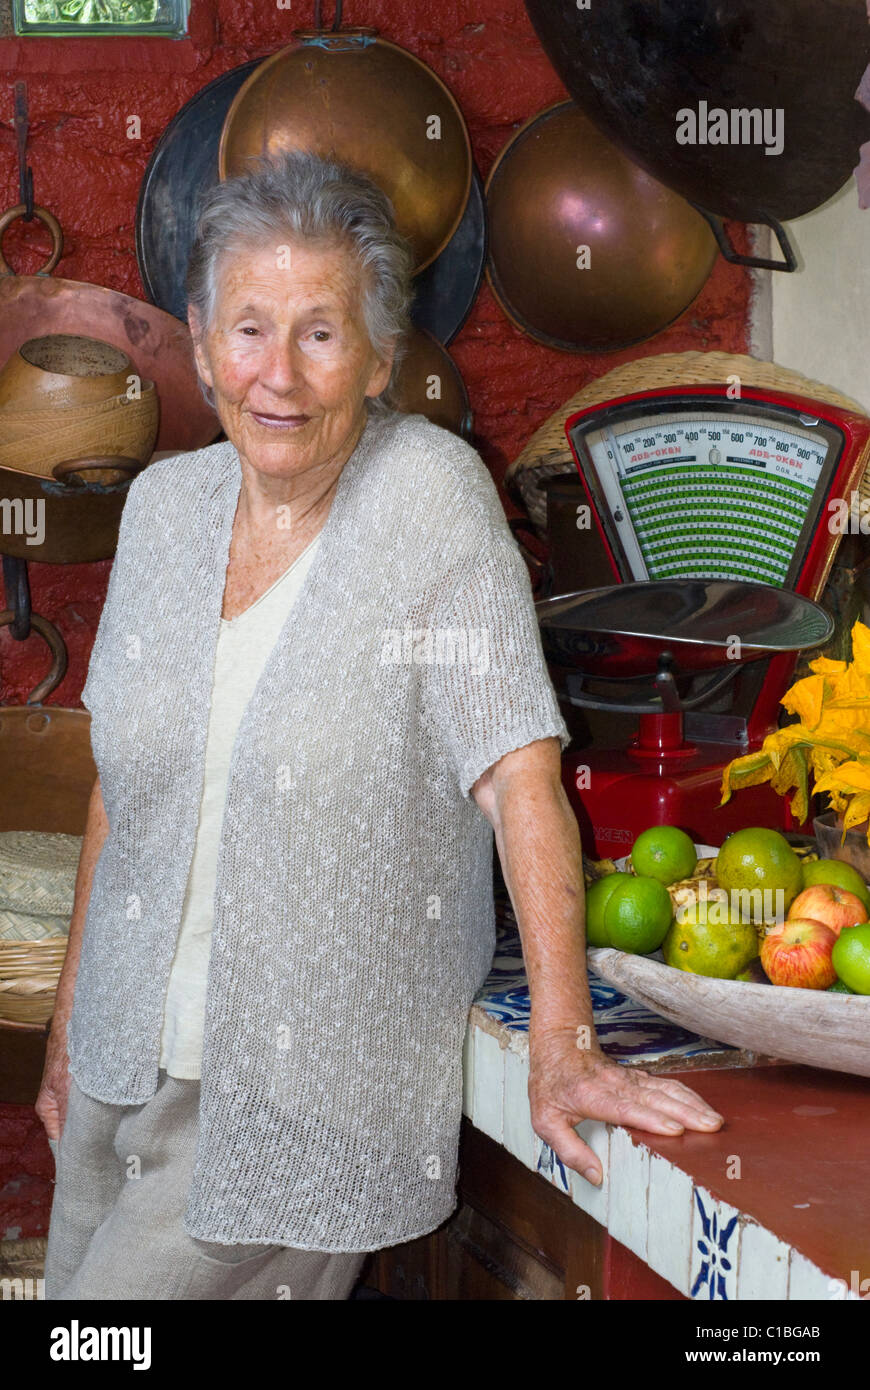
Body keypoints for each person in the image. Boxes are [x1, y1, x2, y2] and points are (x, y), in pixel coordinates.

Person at [38, 149, 723, 1301]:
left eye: (321, 332)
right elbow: (124, 792)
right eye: (250, 329)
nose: (281, 375)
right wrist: (70, 1030)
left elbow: (518, 776)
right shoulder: (164, 512)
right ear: (201, 343)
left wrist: (562, 1043)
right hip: (122, 1061)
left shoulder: (429, 501)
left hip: (306, 1087)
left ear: (378, 361)